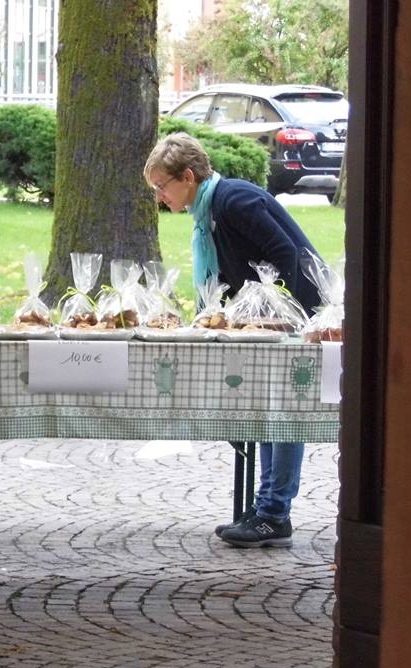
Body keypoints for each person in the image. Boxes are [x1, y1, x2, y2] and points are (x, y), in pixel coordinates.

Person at [144, 132, 323, 549]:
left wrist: (275, 314)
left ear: (187, 177)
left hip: (294, 320)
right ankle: (266, 508)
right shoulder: (212, 210)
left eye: (161, 186)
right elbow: (233, 273)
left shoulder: (233, 202)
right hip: (270, 322)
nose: (159, 197)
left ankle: (274, 514)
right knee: (269, 409)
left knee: (283, 411)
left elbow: (287, 254)